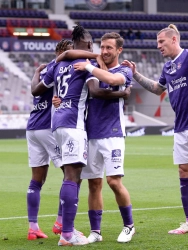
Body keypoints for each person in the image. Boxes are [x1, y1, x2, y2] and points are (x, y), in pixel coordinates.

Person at [122, 24, 188, 238]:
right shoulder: (167, 68)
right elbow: (157, 89)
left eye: (161, 42)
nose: (158, 46)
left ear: (174, 40)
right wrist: (135, 74)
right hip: (181, 126)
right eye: (157, 42)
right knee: (184, 172)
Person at [31, 25, 128, 246]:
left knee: (70, 175)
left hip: (56, 125)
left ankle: (65, 228)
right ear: (83, 44)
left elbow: (36, 91)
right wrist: (123, 91)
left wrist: (43, 78)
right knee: (72, 177)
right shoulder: (87, 65)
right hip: (74, 125)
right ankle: (67, 233)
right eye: (91, 43)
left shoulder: (57, 64)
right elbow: (95, 91)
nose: (94, 47)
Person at [57, 32, 135, 243]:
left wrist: (90, 66)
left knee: (113, 181)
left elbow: (112, 79)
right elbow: (87, 91)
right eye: (102, 47)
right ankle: (96, 232)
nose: (105, 51)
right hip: (90, 134)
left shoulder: (124, 70)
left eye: (109, 48)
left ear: (119, 50)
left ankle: (129, 226)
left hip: (113, 133)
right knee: (94, 184)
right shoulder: (92, 69)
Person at [26, 39, 73, 241]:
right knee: (70, 173)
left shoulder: (45, 71)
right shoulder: (59, 68)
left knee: (37, 180)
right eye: (71, 51)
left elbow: (34, 90)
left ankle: (33, 227)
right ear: (63, 52)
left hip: (32, 128)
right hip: (47, 126)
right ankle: (60, 222)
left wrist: (36, 72)